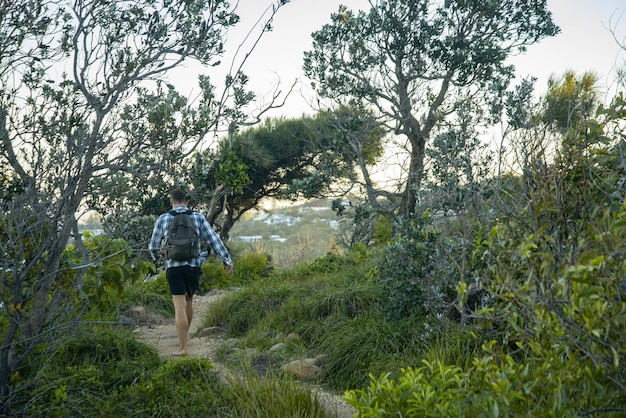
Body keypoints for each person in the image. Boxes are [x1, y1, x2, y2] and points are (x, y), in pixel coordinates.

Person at [149, 190, 233, 356]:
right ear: (187, 201)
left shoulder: (164, 218)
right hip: (193, 267)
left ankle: (183, 347)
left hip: (173, 267)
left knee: (178, 305)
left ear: (171, 201)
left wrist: (159, 258)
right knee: (188, 301)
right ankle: (185, 338)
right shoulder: (198, 217)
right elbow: (213, 239)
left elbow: (153, 245)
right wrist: (226, 258)